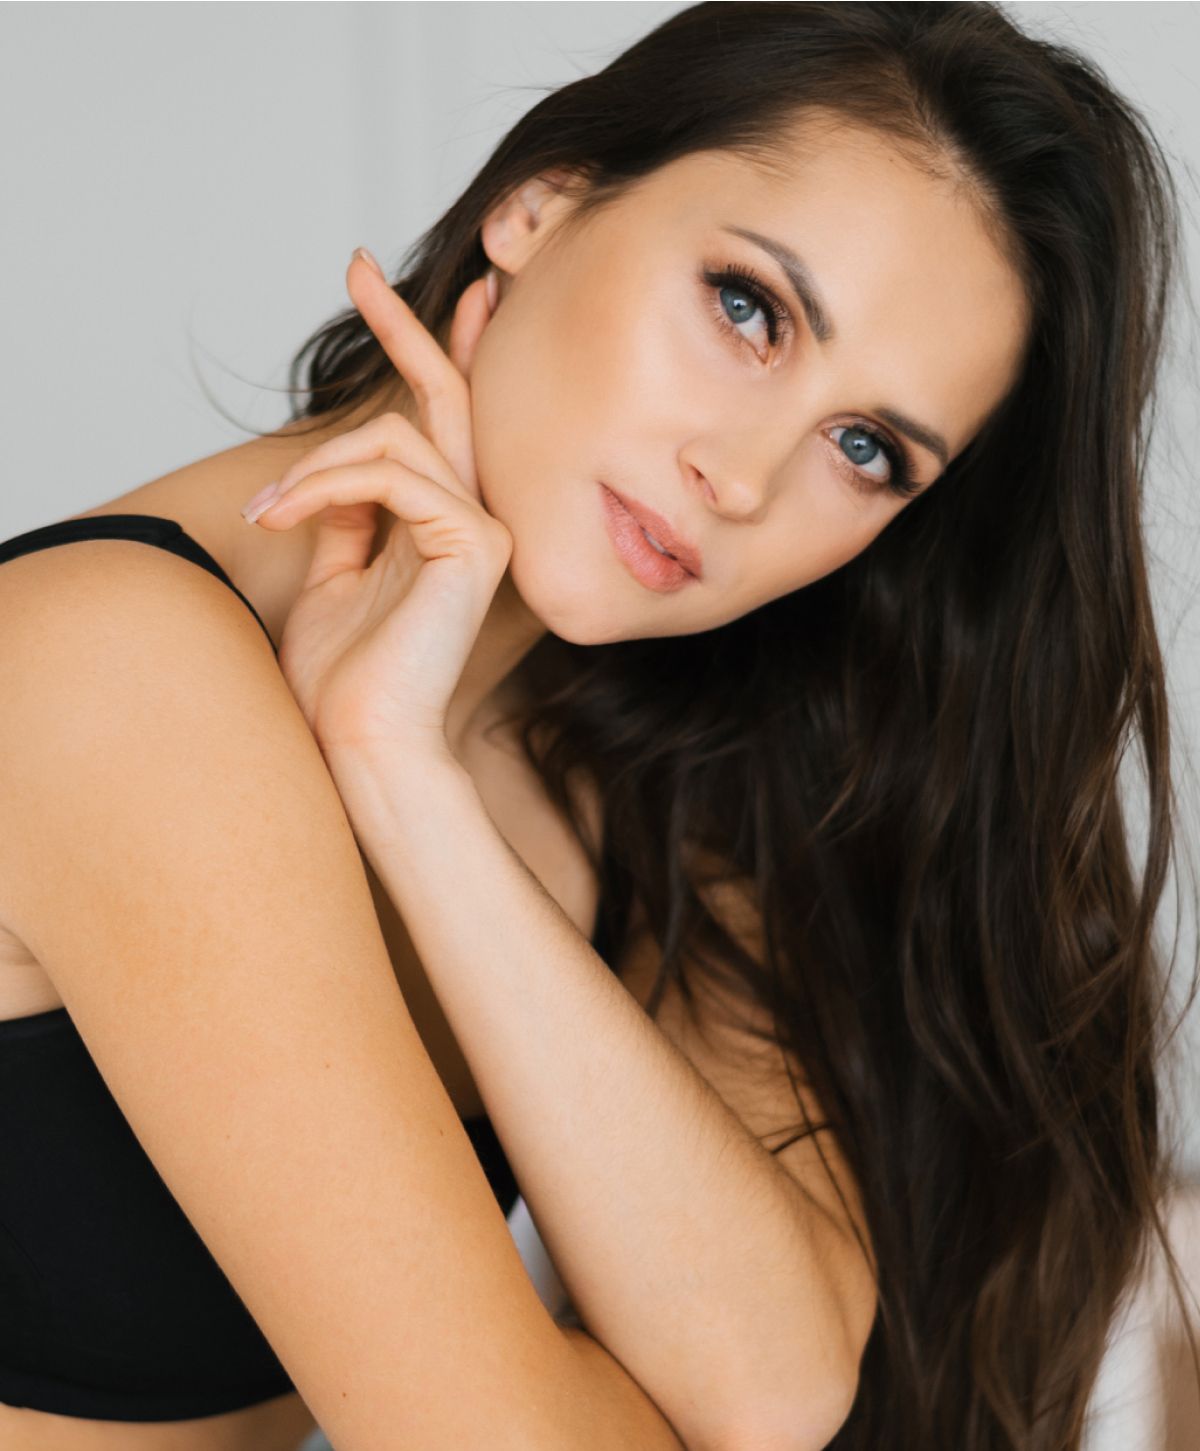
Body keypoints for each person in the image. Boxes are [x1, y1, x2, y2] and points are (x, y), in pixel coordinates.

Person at [0, 2, 1193, 1448]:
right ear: (540, 203)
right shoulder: (111, 671)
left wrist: (401, 772)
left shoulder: (610, 764)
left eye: (867, 449)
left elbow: (778, 1388)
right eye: (749, 309)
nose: (745, 479)